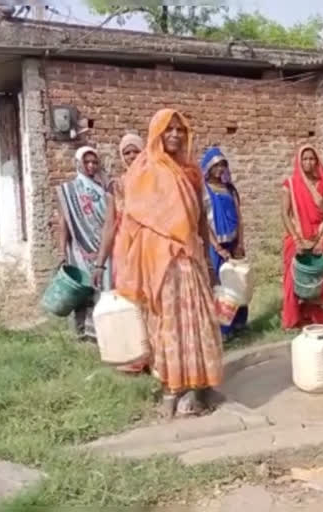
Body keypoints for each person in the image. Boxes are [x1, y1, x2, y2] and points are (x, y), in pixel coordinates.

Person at [114, 109, 223, 418]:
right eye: (168, 129)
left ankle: (195, 386)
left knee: (195, 320)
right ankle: (171, 386)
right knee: (166, 322)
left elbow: (199, 218)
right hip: (158, 259)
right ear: (156, 133)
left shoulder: (190, 171)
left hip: (188, 257)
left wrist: (206, 258)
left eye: (180, 130)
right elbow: (132, 221)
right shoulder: (143, 170)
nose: (175, 135)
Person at [92, 133, 146, 374]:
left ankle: (157, 354)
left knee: (152, 301)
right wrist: (100, 263)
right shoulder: (117, 186)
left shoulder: (152, 180)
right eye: (127, 152)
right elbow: (109, 225)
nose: (132, 156)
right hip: (125, 252)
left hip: (149, 248)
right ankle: (134, 354)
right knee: (129, 302)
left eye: (135, 151)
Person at [57, 146, 111, 341]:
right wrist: (62, 253)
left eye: (94, 162)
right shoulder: (69, 191)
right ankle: (82, 333)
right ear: (78, 163)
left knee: (103, 292)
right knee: (82, 292)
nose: (91, 165)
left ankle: (101, 334)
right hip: (79, 250)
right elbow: (63, 223)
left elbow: (109, 221)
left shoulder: (104, 190)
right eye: (86, 162)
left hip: (103, 250)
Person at [280, 145, 323, 329]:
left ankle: (322, 317)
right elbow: (284, 213)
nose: (308, 162)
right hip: (297, 235)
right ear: (299, 161)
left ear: (317, 161)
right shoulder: (290, 184)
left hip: (320, 235)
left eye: (312, 159)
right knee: (293, 276)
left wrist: (321, 240)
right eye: (304, 159)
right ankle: (295, 318)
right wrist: (297, 239)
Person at [200, 146, 247, 338]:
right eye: (216, 166)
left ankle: (239, 324)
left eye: (222, 166)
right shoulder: (204, 191)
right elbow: (203, 220)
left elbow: (239, 216)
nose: (220, 170)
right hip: (215, 246)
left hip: (233, 243)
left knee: (238, 283)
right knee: (220, 287)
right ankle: (223, 329)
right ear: (208, 168)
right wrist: (218, 248)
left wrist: (240, 243)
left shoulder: (230, 189)